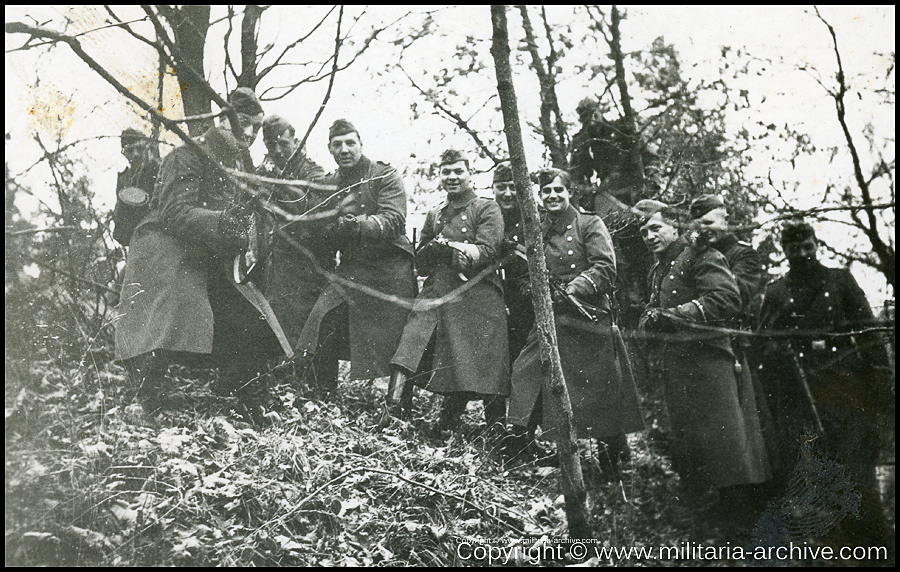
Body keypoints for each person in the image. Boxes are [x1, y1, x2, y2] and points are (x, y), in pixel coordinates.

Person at [115, 87, 278, 418]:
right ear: (222, 119)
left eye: (256, 127)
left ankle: (247, 396)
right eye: (242, 122)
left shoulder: (239, 165)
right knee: (179, 303)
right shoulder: (187, 154)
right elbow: (176, 213)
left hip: (207, 248)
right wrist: (223, 221)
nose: (248, 133)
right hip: (164, 246)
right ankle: (144, 396)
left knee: (249, 311)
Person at [755, 219, 892, 553]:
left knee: (855, 468)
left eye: (807, 245)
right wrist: (781, 351)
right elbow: (763, 343)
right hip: (800, 396)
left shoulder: (840, 281)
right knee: (812, 475)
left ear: (816, 244)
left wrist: (882, 386)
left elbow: (868, 335)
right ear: (785, 250)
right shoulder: (776, 292)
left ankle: (876, 549)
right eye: (793, 248)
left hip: (847, 392)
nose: (802, 253)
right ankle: (831, 548)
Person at [506, 168, 643, 471]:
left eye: (558, 190)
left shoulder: (589, 224)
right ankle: (519, 444)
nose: (552, 196)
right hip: (550, 317)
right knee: (524, 370)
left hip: (588, 317)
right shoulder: (536, 230)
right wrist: (535, 289)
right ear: (538, 198)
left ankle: (613, 460)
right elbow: (522, 274)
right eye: (546, 192)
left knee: (597, 387)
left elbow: (605, 268)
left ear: (570, 194)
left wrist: (573, 289)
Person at [636, 199, 770, 504]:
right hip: (678, 365)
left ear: (676, 227)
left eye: (656, 227)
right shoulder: (658, 270)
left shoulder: (700, 255)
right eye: (644, 232)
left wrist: (675, 316)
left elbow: (725, 298)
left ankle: (741, 523)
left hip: (710, 361)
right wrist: (650, 320)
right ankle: (706, 518)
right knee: (690, 444)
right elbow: (653, 309)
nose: (649, 236)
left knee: (727, 444)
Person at [388, 149, 509, 437]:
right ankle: (394, 417)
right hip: (437, 292)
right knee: (409, 347)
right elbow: (422, 263)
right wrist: (429, 250)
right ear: (439, 175)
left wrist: (456, 250)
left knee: (486, 363)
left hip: (476, 293)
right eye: (446, 172)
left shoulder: (486, 208)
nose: (452, 177)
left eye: (458, 171)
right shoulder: (435, 214)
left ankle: (495, 432)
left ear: (470, 174)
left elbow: (489, 249)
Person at [295, 119, 416, 394]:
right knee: (322, 320)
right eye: (337, 144)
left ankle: (398, 407)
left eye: (350, 142)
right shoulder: (329, 184)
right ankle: (322, 395)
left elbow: (395, 219)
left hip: (390, 268)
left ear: (361, 144)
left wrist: (357, 225)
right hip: (352, 268)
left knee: (394, 340)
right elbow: (315, 225)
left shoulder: (384, 175)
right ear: (329, 149)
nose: (345, 149)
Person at [689, 194, 774, 514]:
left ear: (726, 221)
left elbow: (735, 295)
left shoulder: (742, 254)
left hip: (740, 348)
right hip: (706, 346)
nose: (705, 229)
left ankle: (757, 497)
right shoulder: (696, 254)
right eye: (699, 224)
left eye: (710, 223)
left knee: (747, 426)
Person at [255, 115, 330, 347]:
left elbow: (310, 209)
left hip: (307, 264)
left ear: (296, 143)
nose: (277, 150)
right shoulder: (263, 172)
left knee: (306, 330)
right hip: (276, 264)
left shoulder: (313, 173)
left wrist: (277, 183)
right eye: (270, 144)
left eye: (283, 143)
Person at [112, 128, 160, 246]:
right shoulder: (124, 180)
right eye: (130, 150)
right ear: (123, 153)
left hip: (158, 235)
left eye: (139, 148)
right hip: (137, 239)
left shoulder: (159, 171)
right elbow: (119, 230)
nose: (135, 154)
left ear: (147, 147)